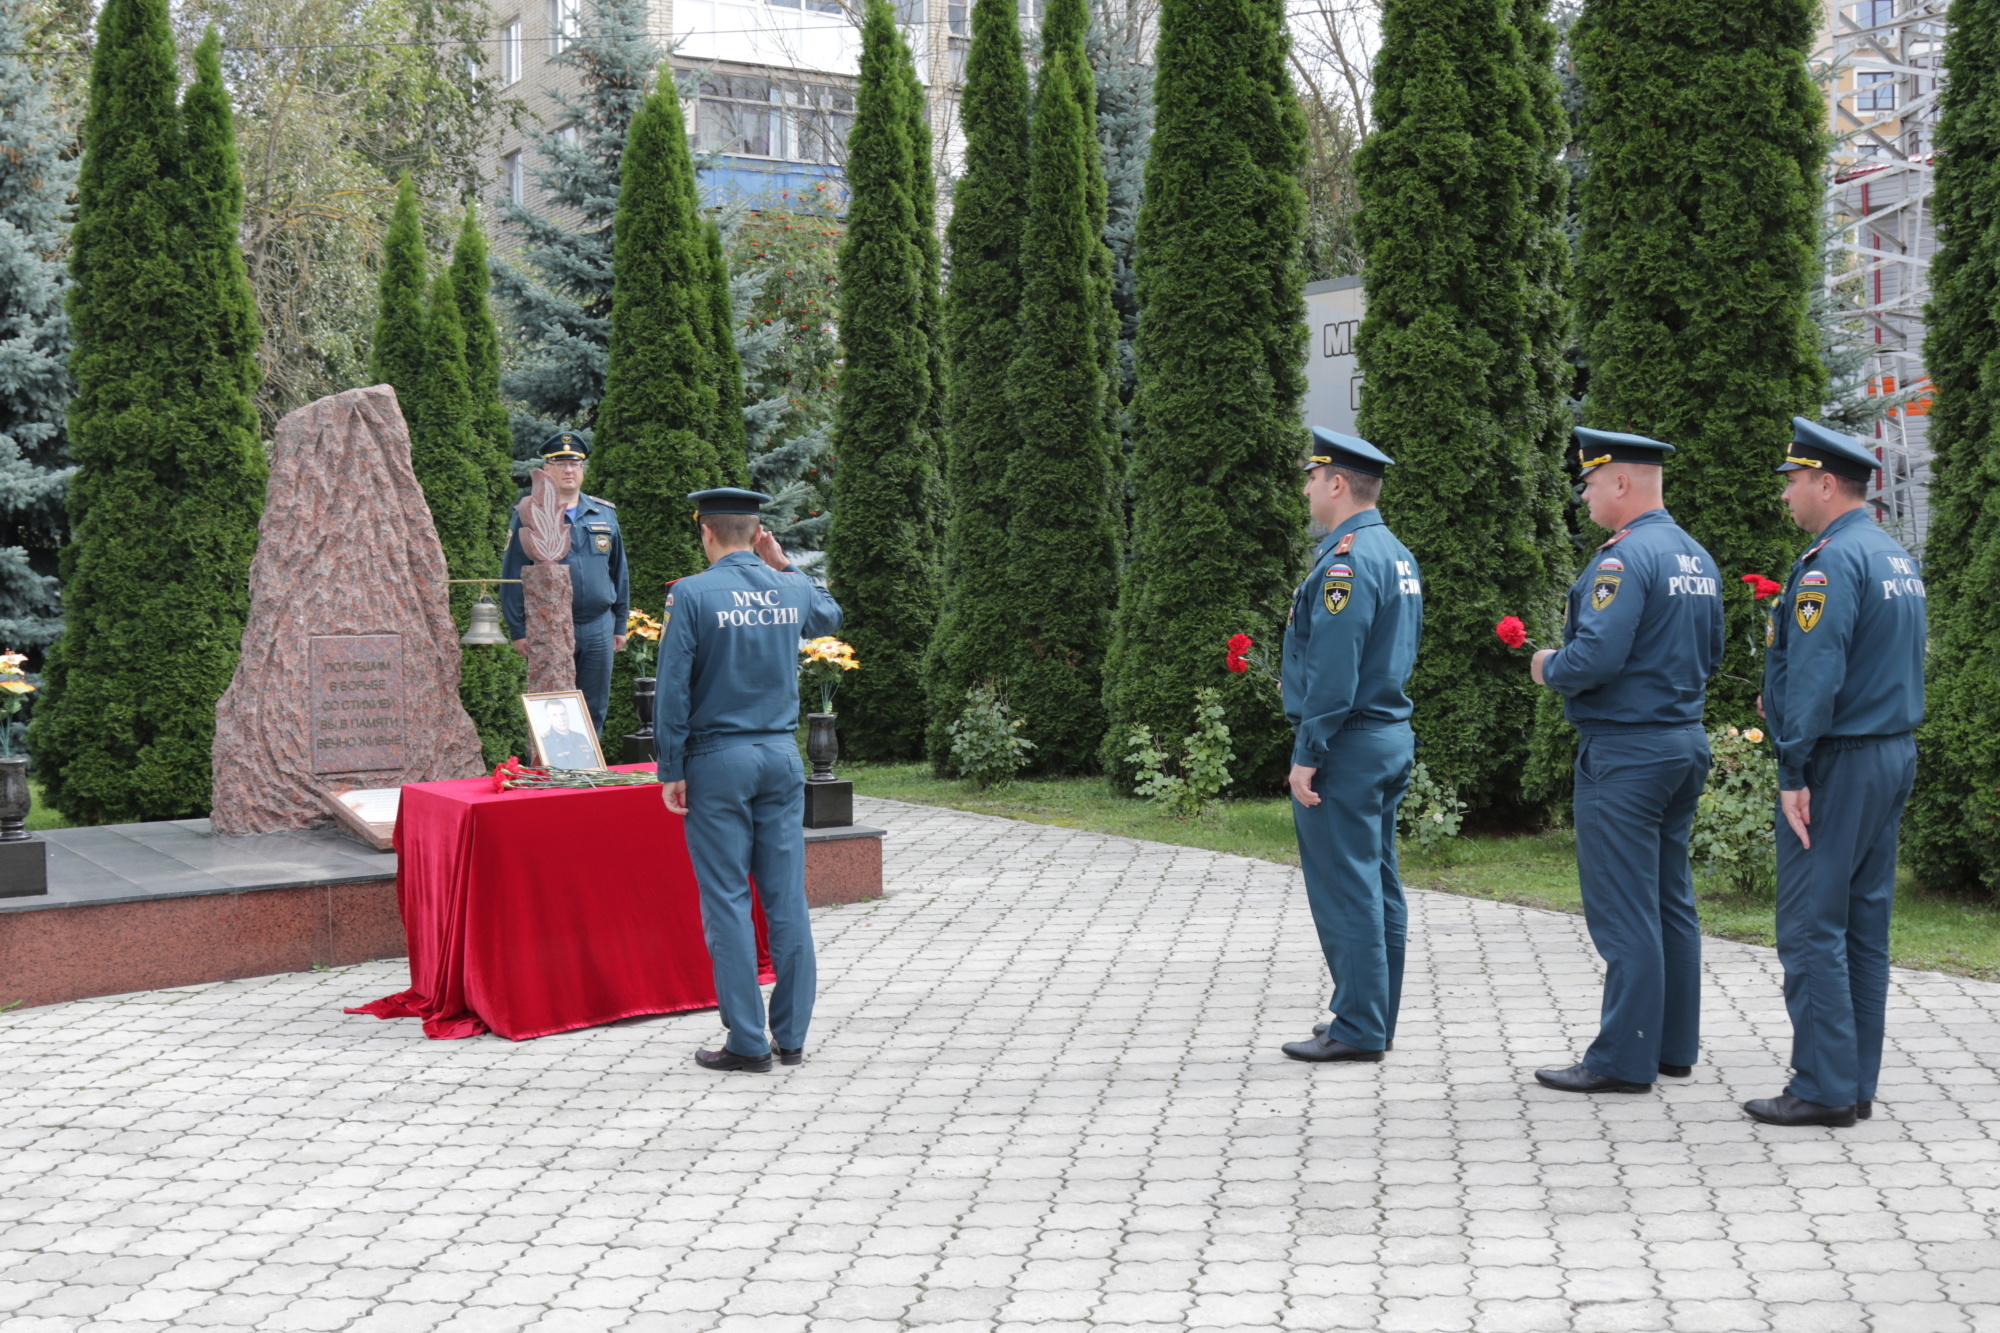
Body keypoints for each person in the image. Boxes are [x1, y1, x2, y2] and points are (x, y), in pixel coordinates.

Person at [1528, 427, 1723, 1095]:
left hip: (1627, 752)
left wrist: (1547, 664)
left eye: (1588, 482)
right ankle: (1672, 1046)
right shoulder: (1695, 556)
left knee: (1625, 908)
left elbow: (1595, 658)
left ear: (1621, 483)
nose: (1582, 494)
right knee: (1671, 900)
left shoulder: (1623, 559)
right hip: (1681, 742)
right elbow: (1714, 652)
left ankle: (1620, 1058)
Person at [1746, 417, 1925, 1128]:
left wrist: (1793, 765)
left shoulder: (1828, 563)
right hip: (1888, 751)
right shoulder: (1891, 553)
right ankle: (1852, 1083)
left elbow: (1819, 671)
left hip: (1839, 761)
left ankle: (1821, 1085)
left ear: (1825, 482)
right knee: (1863, 925)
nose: (1786, 495)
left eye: (1793, 481)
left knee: (1812, 924)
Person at [656, 488, 842, 1073]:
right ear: (758, 532)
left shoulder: (691, 594)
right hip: (780, 756)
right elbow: (831, 618)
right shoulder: (789, 586)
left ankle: (747, 1042)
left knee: (729, 900)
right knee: (787, 898)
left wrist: (671, 767)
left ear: (706, 533)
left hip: (718, 760)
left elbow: (673, 688)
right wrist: (783, 562)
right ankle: (791, 1038)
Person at [1280, 428, 1423, 1064]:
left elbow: (1335, 671)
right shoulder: (1393, 551)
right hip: (1384, 735)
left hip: (1348, 743)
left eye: (1312, 478)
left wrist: (1309, 750)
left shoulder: (1346, 560)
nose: (1307, 489)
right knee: (1378, 885)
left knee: (1348, 888)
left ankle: (1359, 1027)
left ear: (1337, 483)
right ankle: (1370, 1016)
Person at [501, 432, 629, 737]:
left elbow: (619, 571)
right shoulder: (528, 515)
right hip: (550, 626)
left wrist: (620, 624)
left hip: (599, 624)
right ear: (547, 470)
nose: (568, 470)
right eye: (560, 464)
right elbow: (513, 573)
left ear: (583, 470)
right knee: (553, 705)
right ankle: (555, 773)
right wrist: (519, 630)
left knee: (594, 704)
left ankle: (587, 771)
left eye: (575, 463)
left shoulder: (604, 514)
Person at [536, 700, 598, 769]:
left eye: (563, 714)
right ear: (548, 718)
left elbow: (593, 764)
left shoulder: (581, 737)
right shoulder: (544, 741)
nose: (561, 719)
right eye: (555, 715)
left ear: (567, 714)